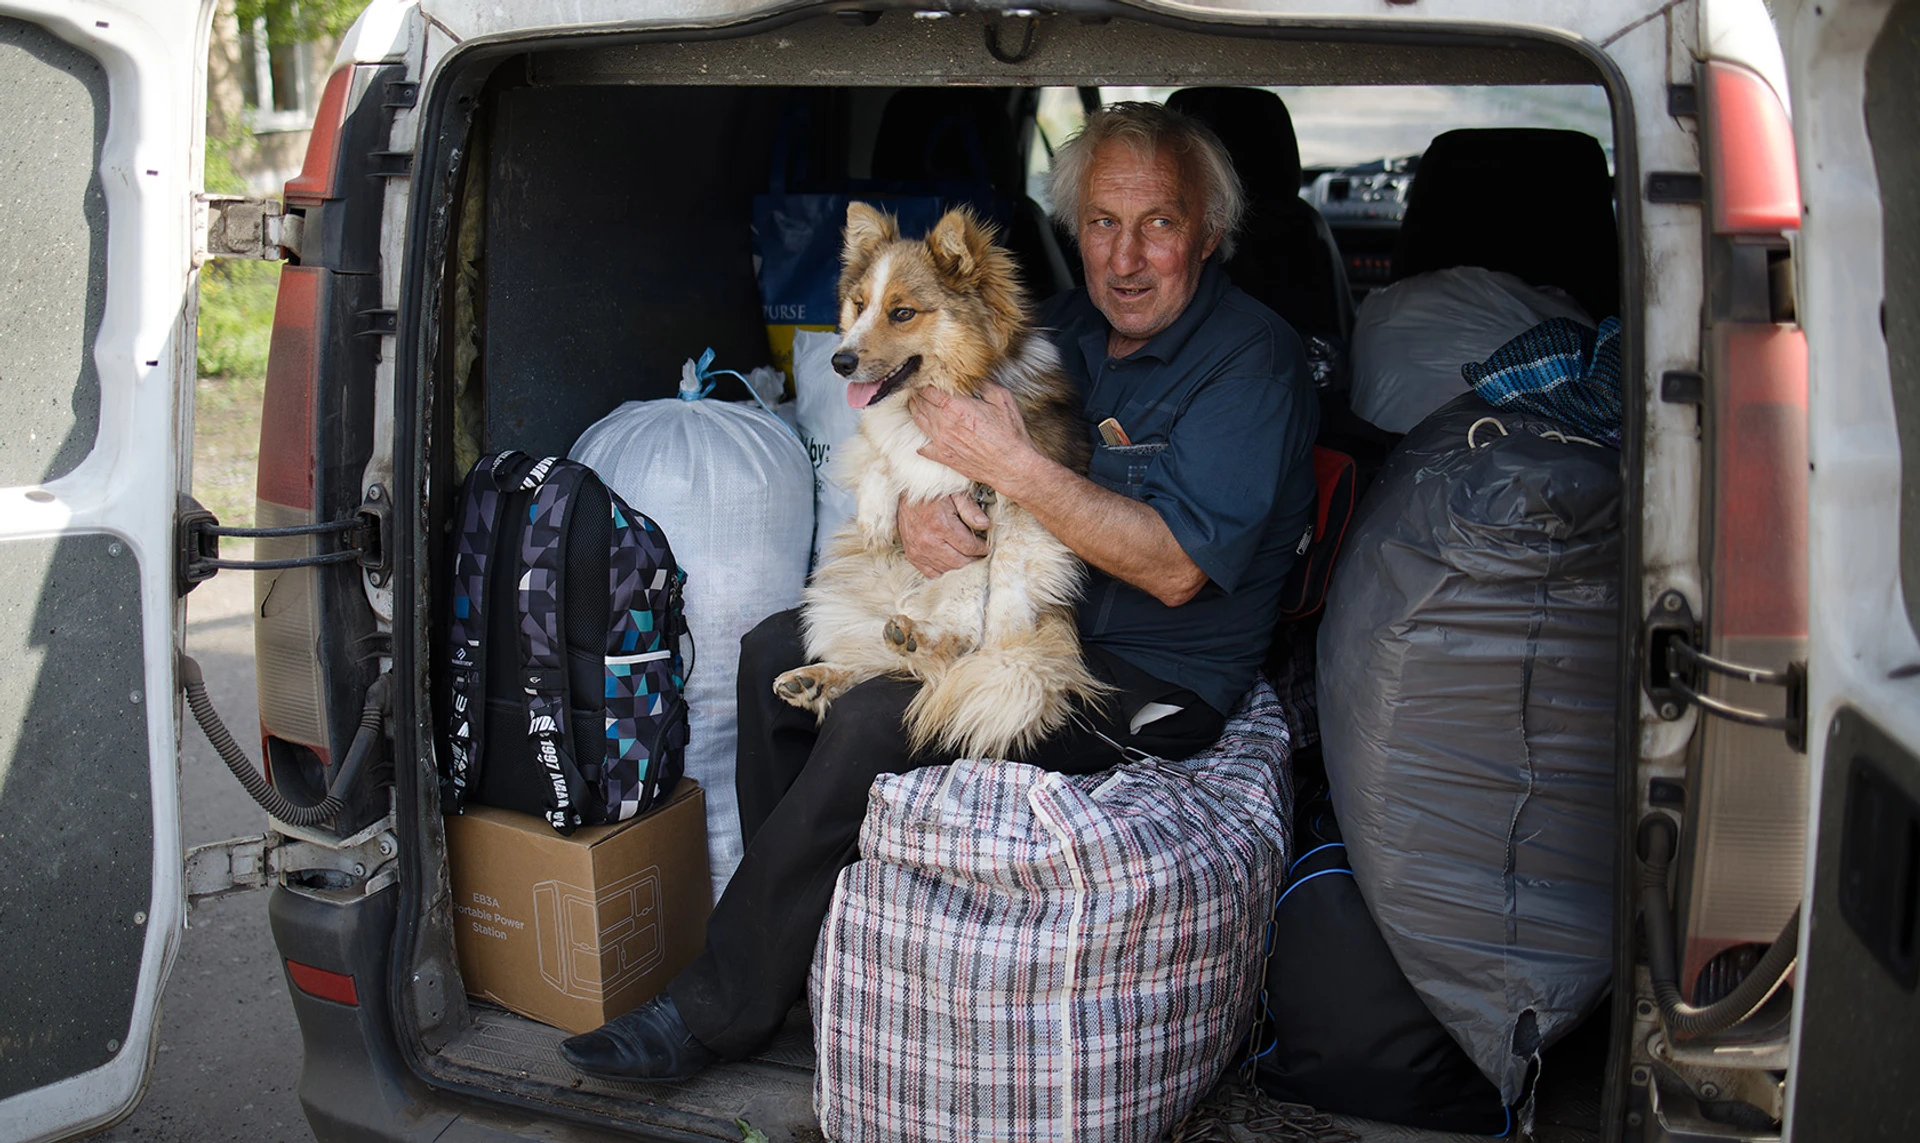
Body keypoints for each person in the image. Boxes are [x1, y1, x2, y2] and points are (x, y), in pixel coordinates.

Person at [559, 101, 1320, 1083]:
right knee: (773, 652)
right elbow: (945, 459)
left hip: (1137, 674)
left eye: (1159, 223)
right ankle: (805, 968)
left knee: (875, 714)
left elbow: (1176, 566)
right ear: (1072, 228)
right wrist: (926, 524)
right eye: (1102, 222)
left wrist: (1015, 466)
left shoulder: (1252, 362)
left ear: (1207, 234)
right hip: (998, 614)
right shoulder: (1068, 330)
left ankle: (717, 1011)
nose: (1125, 256)